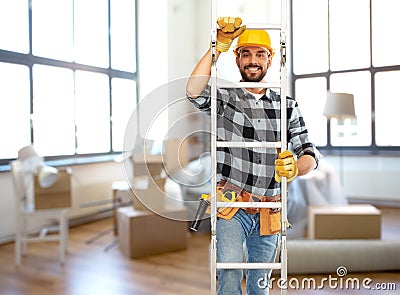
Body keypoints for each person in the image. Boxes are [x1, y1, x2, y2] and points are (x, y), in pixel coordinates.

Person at [186, 17, 319, 294]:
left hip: (270, 209)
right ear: (237, 60)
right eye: (246, 54)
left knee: (260, 284)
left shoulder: (287, 105)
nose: (253, 61)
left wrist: (296, 166)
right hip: (231, 207)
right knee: (230, 275)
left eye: (260, 54)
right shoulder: (225, 98)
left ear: (270, 60)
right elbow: (193, 91)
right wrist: (217, 47)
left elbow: (309, 151)